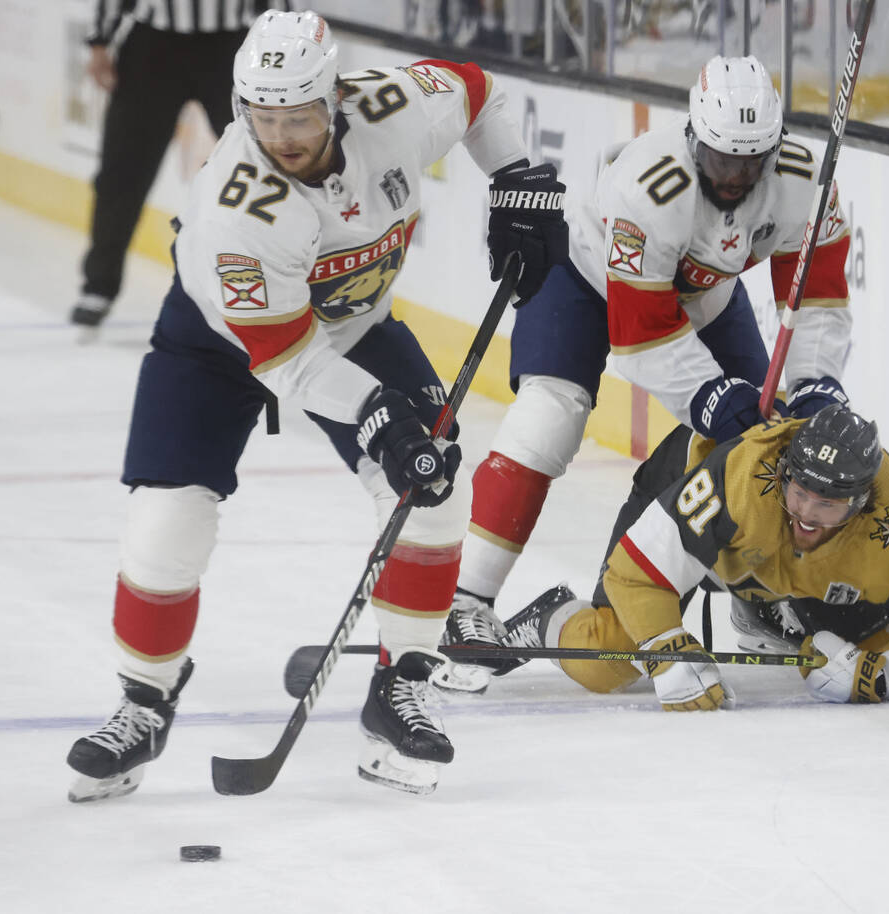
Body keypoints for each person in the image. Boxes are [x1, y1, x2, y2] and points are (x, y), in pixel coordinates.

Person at [65, 9, 567, 801]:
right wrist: (377, 413)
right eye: (263, 119)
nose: (283, 136)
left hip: (354, 323)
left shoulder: (392, 109)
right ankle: (143, 701)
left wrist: (515, 179)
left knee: (432, 486)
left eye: (298, 115)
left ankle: (401, 685)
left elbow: (478, 91)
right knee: (166, 519)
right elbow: (288, 361)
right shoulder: (242, 212)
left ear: (335, 99)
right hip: (217, 343)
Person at [436, 54, 855, 692]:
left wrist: (817, 379)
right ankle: (469, 603)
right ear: (694, 139)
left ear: (774, 150)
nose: (738, 177)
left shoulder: (805, 181)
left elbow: (819, 296)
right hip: (586, 278)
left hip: (701, 295)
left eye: (751, 162)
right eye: (722, 161)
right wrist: (708, 394)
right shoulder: (648, 186)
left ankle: (754, 591)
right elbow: (640, 331)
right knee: (550, 417)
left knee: (774, 439)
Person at [493, 404, 889, 709]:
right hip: (685, 495)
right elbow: (634, 575)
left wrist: (883, 677)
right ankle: (548, 618)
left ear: (861, 505)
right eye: (799, 493)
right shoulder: (737, 483)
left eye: (829, 504)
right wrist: (663, 650)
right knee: (606, 659)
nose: (807, 516)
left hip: (763, 555)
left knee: (856, 642)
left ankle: (764, 611)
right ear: (783, 474)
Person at [70, 0, 292, 330]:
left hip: (230, 46)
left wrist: (285, 44)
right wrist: (100, 41)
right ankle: (99, 286)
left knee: (268, 165)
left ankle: (288, 282)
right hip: (153, 45)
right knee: (122, 172)